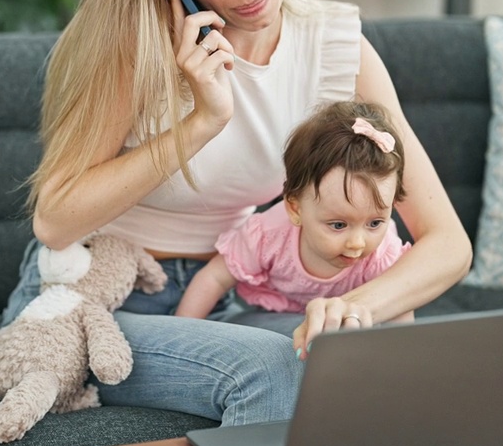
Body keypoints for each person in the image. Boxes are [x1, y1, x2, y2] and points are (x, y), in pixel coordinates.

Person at [1, 0, 471, 427]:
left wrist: (356, 307)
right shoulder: (133, 48)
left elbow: (447, 244)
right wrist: (201, 121)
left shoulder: (336, 52)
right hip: (94, 301)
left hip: (233, 292)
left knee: (363, 361)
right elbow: (55, 219)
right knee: (271, 370)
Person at [175, 101, 416, 338]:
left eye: (375, 223)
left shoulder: (383, 254)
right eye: (338, 225)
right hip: (273, 321)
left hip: (347, 325)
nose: (357, 242)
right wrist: (181, 337)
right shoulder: (268, 235)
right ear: (295, 208)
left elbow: (399, 309)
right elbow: (214, 277)